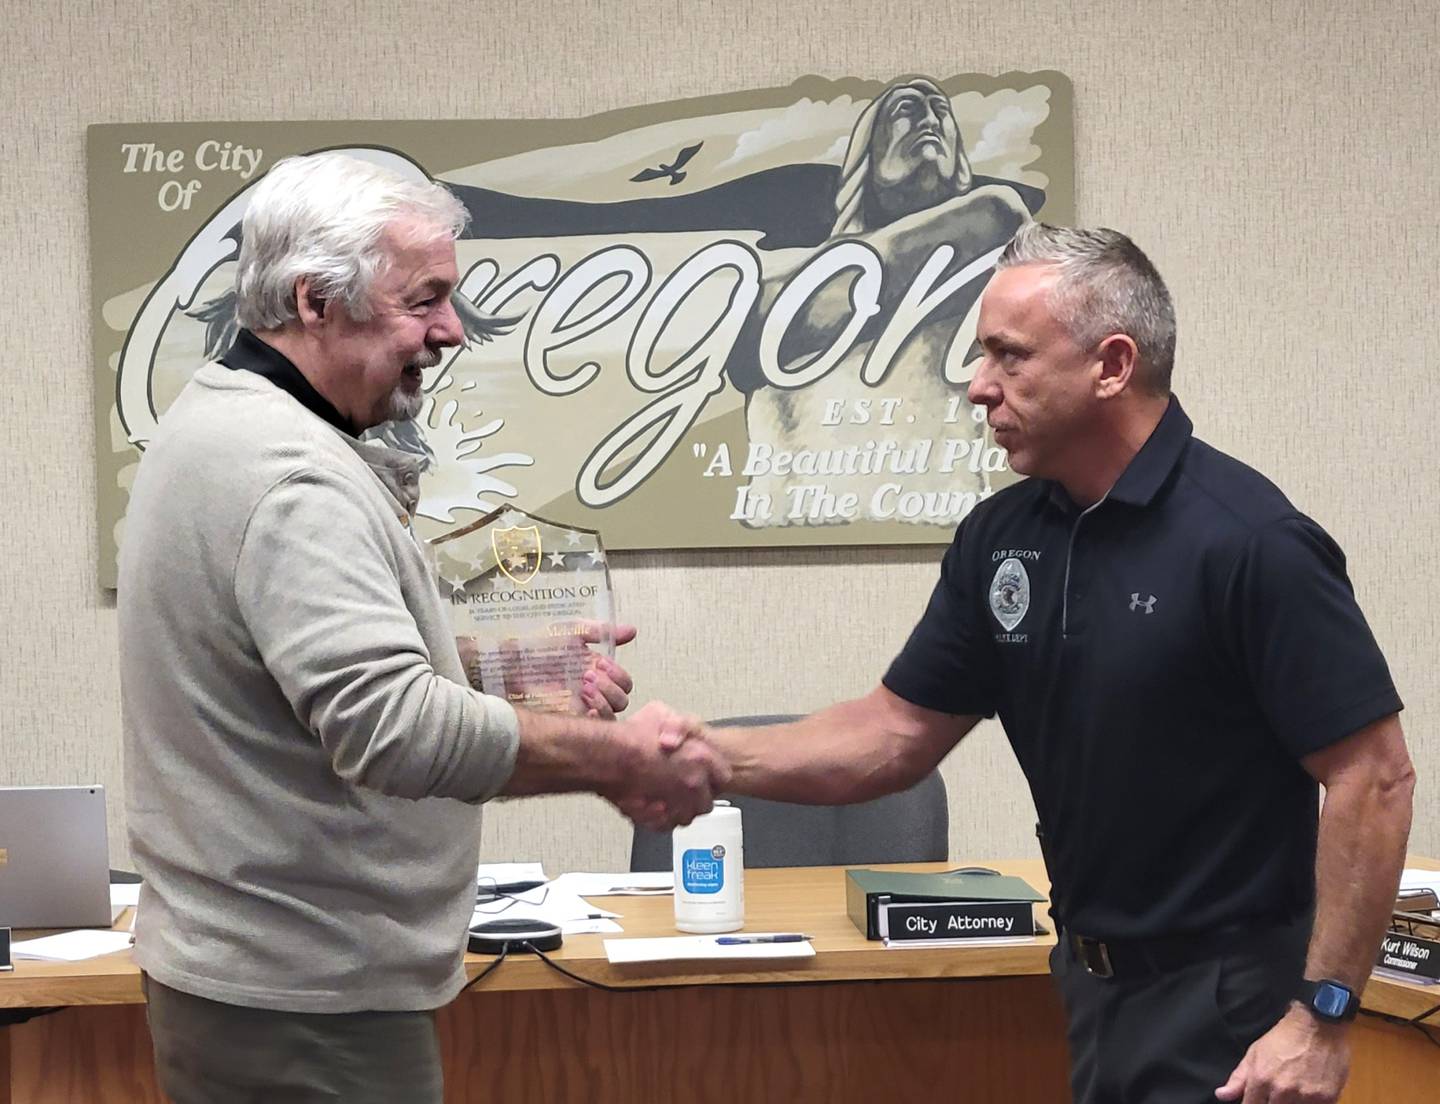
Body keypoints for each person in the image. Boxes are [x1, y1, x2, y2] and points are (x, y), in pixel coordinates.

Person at [688, 224, 1415, 1103]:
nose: (976, 384)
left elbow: (1372, 777)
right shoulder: (1002, 537)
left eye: (1008, 355)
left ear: (1111, 366)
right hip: (1088, 980)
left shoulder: (1251, 542)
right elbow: (894, 733)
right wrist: (704, 756)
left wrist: (1324, 1015)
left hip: (1234, 1002)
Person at [117, 151, 728, 1104]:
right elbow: (388, 728)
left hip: (266, 986)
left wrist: (499, 674)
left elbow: (303, 682)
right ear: (316, 300)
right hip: (306, 1007)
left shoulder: (220, 425)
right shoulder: (294, 477)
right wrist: (615, 760)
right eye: (424, 299)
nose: (451, 329)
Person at [723, 77, 1040, 527]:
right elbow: (748, 336)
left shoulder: (993, 225)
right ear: (865, 157)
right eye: (907, 109)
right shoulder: (791, 272)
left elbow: (991, 223)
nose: (930, 120)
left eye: (940, 111)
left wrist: (794, 301)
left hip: (939, 515)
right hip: (792, 518)